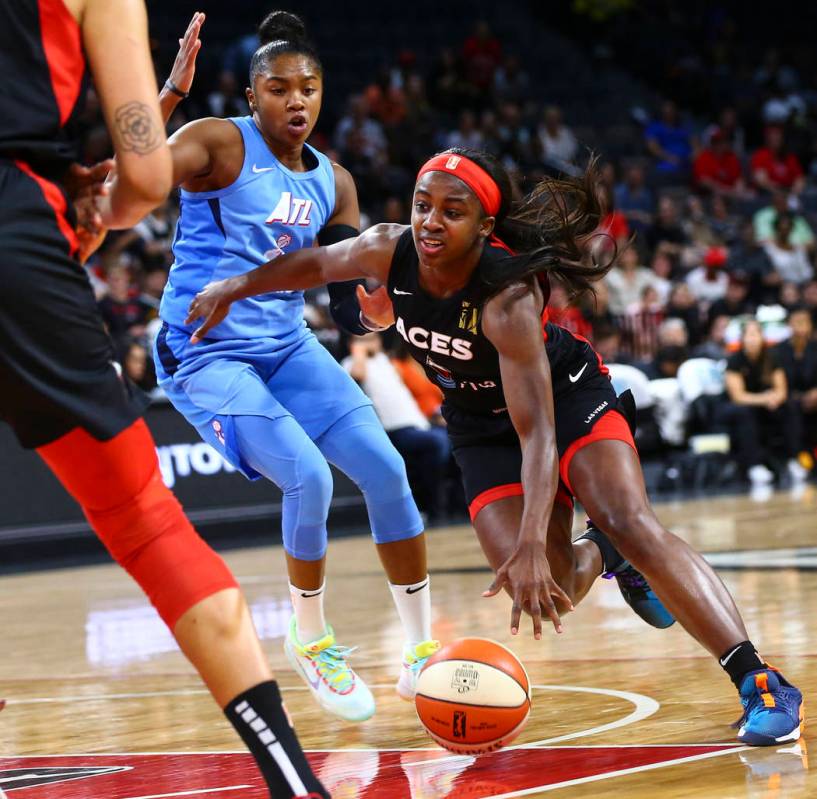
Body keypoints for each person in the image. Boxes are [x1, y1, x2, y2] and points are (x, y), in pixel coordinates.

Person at [188, 147, 804, 746]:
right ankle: (606, 552)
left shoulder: (506, 295)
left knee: (629, 516)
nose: (431, 221)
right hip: (478, 425)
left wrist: (536, 536)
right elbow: (314, 264)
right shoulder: (387, 247)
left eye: (452, 212)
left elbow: (537, 434)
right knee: (536, 583)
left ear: (484, 227)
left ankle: (759, 680)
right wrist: (233, 287)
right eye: (423, 205)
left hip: (562, 400)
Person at [0, 3, 328, 798]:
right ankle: (295, 784)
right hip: (14, 230)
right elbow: (146, 177)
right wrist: (86, 218)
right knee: (143, 521)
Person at [144, 11, 437, 725]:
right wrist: (171, 94)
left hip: (285, 346)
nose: (295, 100)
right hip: (203, 349)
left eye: (308, 87)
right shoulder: (216, 142)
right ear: (252, 97)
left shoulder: (334, 183)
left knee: (386, 468)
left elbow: (343, 302)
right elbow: (139, 177)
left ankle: (422, 651)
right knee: (305, 474)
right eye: (278, 88)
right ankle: (310, 637)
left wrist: (370, 312)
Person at [722, 319, 806, 485]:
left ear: (762, 337)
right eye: (749, 334)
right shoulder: (735, 360)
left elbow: (781, 390)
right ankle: (755, 465)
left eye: (756, 334)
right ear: (742, 338)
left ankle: (793, 459)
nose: (753, 338)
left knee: (790, 406)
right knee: (745, 412)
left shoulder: (772, 357)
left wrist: (775, 399)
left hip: (765, 404)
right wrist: (766, 399)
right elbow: (738, 396)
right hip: (739, 407)